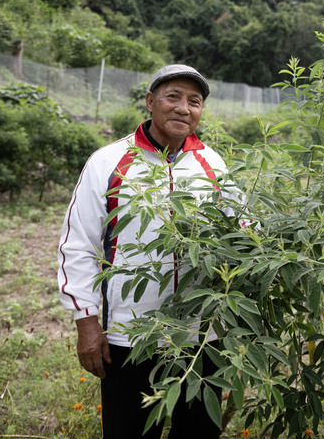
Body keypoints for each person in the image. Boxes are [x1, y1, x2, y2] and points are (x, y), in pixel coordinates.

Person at [57, 64, 227, 438]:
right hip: (131, 336)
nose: (184, 108)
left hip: (202, 337)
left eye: (194, 101)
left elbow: (241, 235)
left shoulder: (213, 165)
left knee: (198, 432)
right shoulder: (108, 161)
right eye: (173, 97)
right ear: (150, 102)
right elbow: (78, 244)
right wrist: (86, 321)